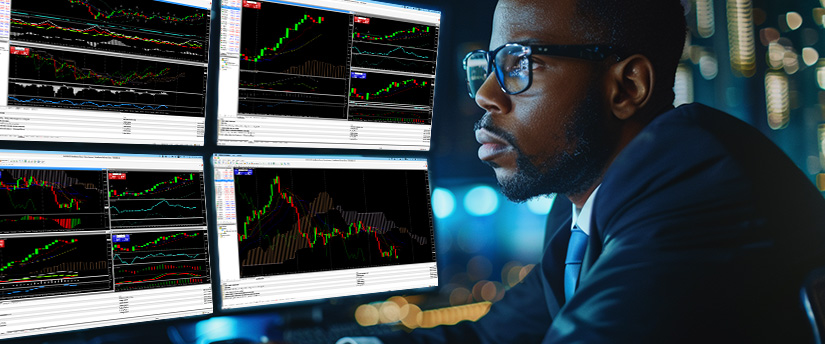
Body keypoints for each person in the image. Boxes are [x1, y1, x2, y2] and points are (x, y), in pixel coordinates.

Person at [340, 0, 825, 342]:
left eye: (520, 62)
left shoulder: (702, 186)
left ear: (626, 87)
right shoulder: (583, 208)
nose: (487, 94)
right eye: (486, 65)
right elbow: (491, 338)